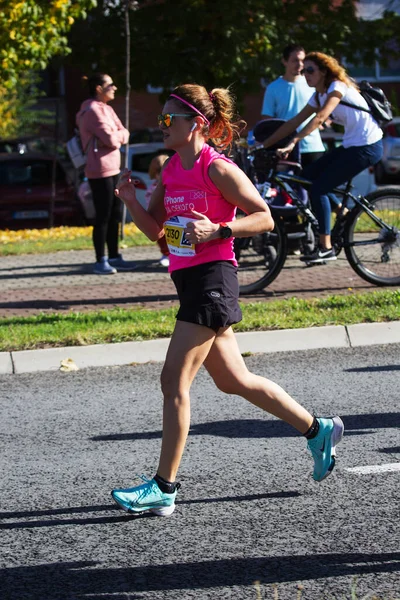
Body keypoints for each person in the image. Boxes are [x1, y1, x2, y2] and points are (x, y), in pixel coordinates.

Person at [111, 83, 344, 517]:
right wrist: (129, 200)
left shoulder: (215, 168)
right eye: (160, 119)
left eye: (168, 119)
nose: (160, 126)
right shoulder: (170, 172)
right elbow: (155, 232)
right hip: (189, 279)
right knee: (233, 380)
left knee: (173, 381)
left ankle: (164, 488)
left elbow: (264, 217)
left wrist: (218, 230)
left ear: (196, 123)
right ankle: (318, 429)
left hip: (213, 278)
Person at [263, 52, 383, 264]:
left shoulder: (336, 87)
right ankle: (342, 211)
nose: (305, 74)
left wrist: (293, 142)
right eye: (303, 71)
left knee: (320, 189)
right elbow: (293, 122)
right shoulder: (318, 95)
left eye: (310, 70)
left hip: (368, 146)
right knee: (307, 178)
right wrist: (263, 144)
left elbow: (320, 118)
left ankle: (326, 247)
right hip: (351, 145)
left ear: (324, 72)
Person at [77, 72, 136, 274]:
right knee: (103, 215)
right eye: (110, 85)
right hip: (99, 170)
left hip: (113, 167)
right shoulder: (92, 110)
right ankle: (100, 260)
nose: (115, 88)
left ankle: (114, 255)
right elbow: (112, 140)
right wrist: (113, 139)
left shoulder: (107, 109)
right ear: (99, 88)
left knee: (115, 214)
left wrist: (114, 138)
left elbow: (124, 134)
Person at [261, 43, 325, 168]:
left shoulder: (312, 84)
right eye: (295, 60)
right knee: (285, 187)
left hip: (312, 146)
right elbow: (267, 120)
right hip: (285, 148)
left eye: (302, 60)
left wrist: (325, 121)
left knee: (315, 186)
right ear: (284, 61)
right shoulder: (273, 88)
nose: (300, 64)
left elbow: (326, 110)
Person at [145, 154, 170, 268]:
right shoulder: (153, 187)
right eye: (157, 171)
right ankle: (165, 254)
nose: (159, 174)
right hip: (158, 218)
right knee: (161, 239)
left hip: (170, 217)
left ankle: (169, 255)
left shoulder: (171, 185)